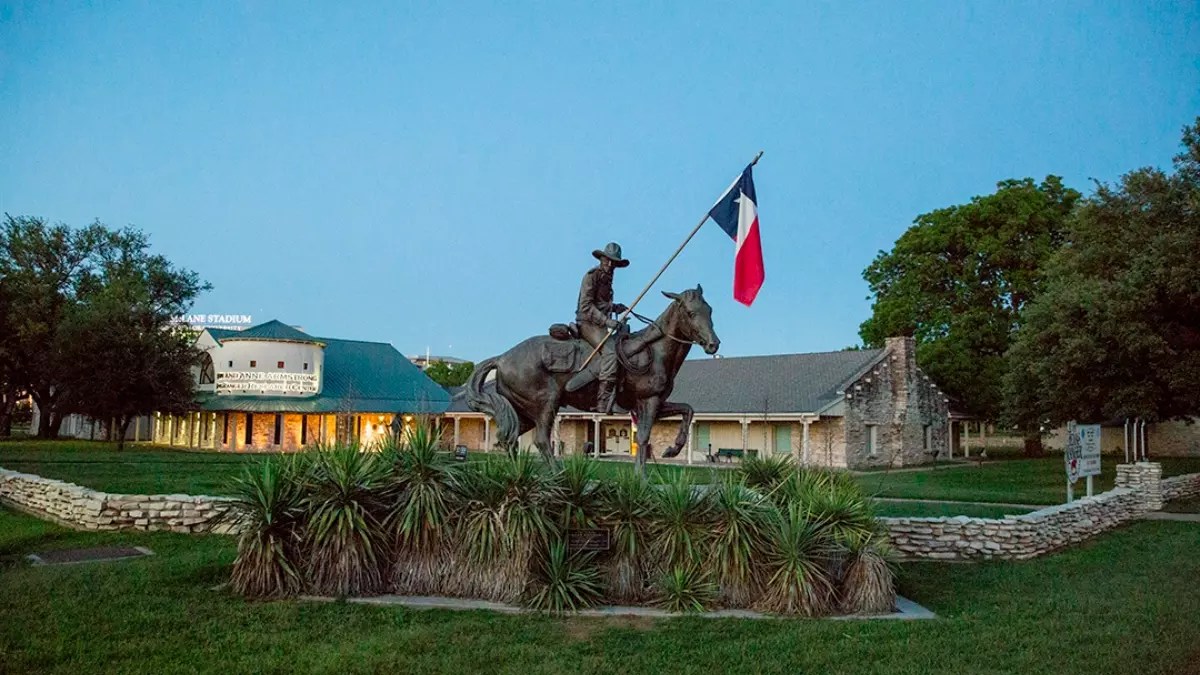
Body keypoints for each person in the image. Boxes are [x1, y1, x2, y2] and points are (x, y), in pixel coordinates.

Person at [576, 242, 629, 413]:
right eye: (608, 261)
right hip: (587, 323)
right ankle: (603, 402)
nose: (611, 265)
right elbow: (586, 306)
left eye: (614, 263)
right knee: (610, 352)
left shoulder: (608, 279)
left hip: (599, 323)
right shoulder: (591, 276)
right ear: (602, 259)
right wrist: (607, 322)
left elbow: (601, 304)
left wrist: (615, 307)